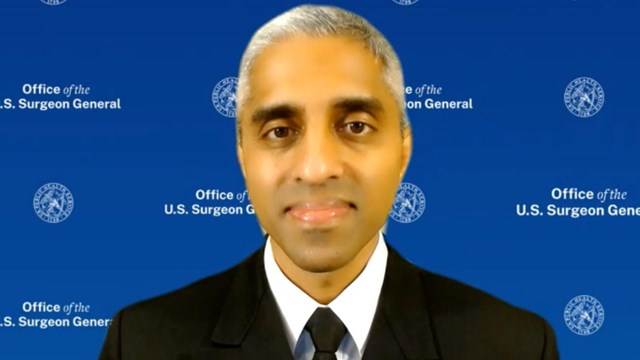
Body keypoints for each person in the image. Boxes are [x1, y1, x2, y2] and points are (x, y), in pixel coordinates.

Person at [100, 5, 559, 360]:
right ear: (242, 155)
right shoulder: (141, 343)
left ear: (403, 149)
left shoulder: (513, 345)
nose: (317, 168)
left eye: (355, 126)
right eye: (280, 131)